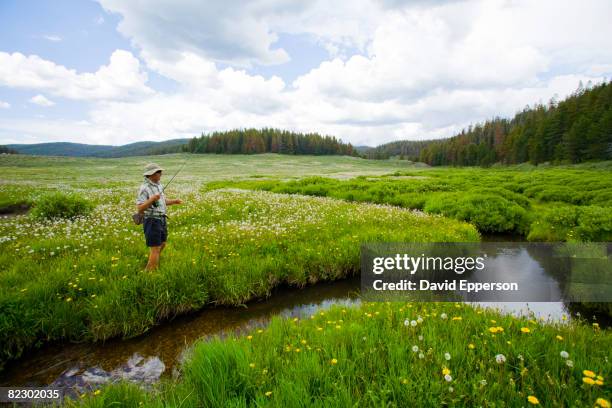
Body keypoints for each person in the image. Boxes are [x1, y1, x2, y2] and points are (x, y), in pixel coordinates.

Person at [136, 163, 183, 271]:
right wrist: (151, 199)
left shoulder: (159, 185)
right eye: (159, 172)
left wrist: (174, 201)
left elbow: (163, 201)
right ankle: (151, 272)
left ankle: (150, 265)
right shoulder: (145, 188)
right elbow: (139, 208)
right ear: (151, 174)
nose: (161, 174)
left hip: (161, 219)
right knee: (155, 248)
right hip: (152, 220)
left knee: (162, 244)